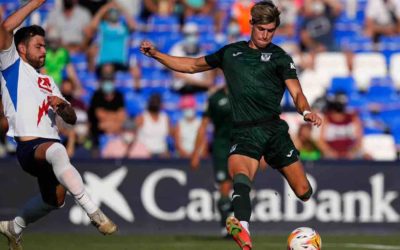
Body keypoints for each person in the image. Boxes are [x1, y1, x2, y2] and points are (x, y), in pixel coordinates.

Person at [140, 1, 322, 249]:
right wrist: (157, 54)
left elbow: (297, 93)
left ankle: (265, 225)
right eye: (261, 29)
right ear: (251, 25)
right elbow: (193, 65)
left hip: (273, 130)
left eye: (270, 30)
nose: (265, 35)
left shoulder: (281, 58)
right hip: (244, 130)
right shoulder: (230, 53)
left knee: (304, 192)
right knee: (240, 175)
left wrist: (306, 111)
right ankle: (243, 229)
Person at [0, 1, 117, 249]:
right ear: (21, 48)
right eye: (38, 46)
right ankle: (94, 212)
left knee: (54, 201)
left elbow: (71, 119)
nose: (44, 51)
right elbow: (7, 26)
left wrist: (62, 106)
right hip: (30, 147)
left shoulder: (48, 81)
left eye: (44, 46)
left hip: (49, 149)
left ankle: (14, 227)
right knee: (58, 151)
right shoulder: (12, 66)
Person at [190, 86, 233, 237]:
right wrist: (196, 153)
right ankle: (226, 225)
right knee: (225, 187)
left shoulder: (245, 93)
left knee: (242, 186)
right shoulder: (215, 98)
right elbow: (203, 125)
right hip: (221, 147)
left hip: (242, 145)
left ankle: (236, 221)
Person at [318, 93, 366, 159]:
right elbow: (321, 140)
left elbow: (359, 140)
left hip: (350, 156)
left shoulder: (353, 118)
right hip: (331, 156)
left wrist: (352, 152)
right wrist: (330, 152)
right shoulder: (326, 119)